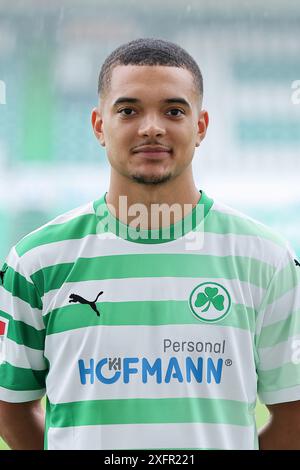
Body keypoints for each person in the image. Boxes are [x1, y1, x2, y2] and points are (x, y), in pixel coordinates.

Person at [0, 38, 300, 451]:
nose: (152, 127)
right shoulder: (35, 261)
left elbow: (295, 412)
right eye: (128, 110)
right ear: (99, 126)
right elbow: (10, 406)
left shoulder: (265, 258)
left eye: (174, 111)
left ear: (201, 126)